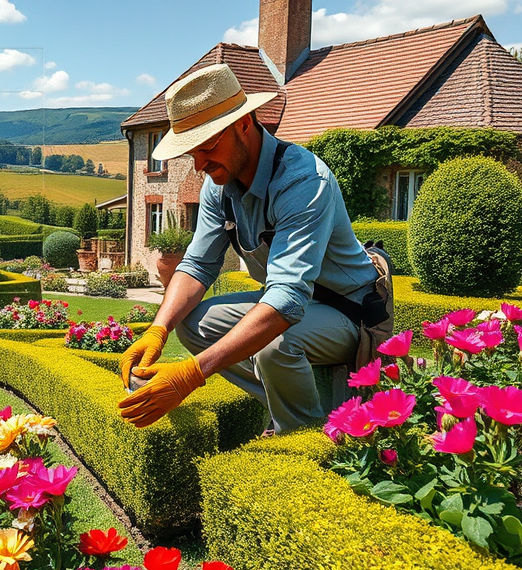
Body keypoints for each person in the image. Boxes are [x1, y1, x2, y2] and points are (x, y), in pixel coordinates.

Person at [118, 63, 380, 433]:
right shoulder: (218, 185)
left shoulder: (303, 180)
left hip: (351, 313)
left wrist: (191, 375)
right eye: (192, 152)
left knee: (276, 346)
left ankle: (306, 436)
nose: (200, 165)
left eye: (208, 146)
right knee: (192, 325)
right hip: (294, 305)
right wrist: (157, 330)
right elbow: (197, 266)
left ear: (245, 123)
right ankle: (293, 409)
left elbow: (287, 302)